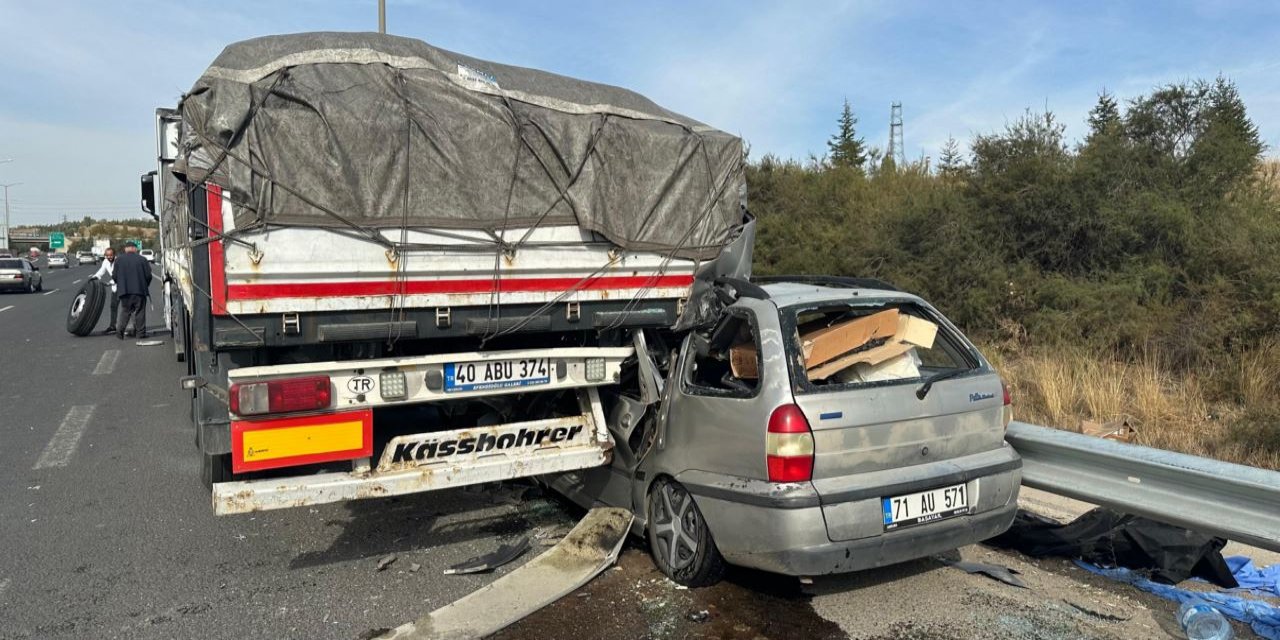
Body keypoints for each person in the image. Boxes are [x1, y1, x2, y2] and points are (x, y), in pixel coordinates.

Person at [112, 241, 153, 340]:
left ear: (126, 249)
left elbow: (114, 276)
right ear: (134, 249)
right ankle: (140, 334)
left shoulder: (119, 260)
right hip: (139, 291)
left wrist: (121, 285)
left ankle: (119, 332)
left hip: (124, 291)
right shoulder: (142, 259)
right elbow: (148, 276)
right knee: (140, 312)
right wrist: (144, 285)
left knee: (125, 311)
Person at [88, 247, 119, 334]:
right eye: (107, 255)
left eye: (111, 255)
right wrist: (94, 277)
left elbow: (120, 275)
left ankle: (135, 327)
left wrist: (109, 283)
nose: (109, 257)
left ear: (114, 254)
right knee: (113, 307)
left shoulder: (119, 261)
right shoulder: (105, 262)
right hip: (115, 288)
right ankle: (113, 326)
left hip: (123, 287)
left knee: (127, 308)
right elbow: (101, 271)